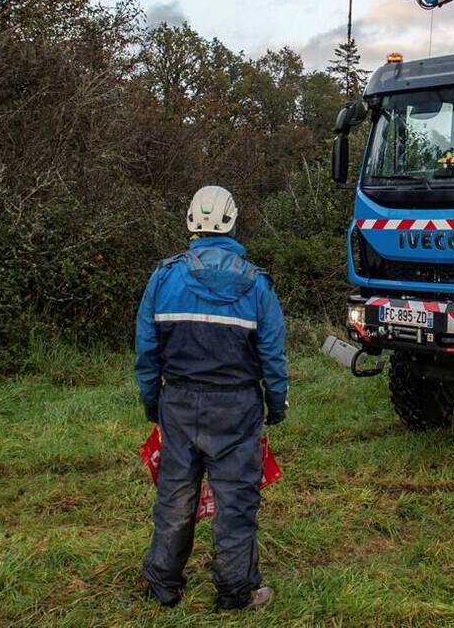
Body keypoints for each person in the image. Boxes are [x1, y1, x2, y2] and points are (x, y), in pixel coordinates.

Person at [135, 185, 288, 613]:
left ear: (190, 222)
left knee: (174, 498)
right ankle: (236, 595)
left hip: (178, 405)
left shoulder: (163, 277)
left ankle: (162, 586)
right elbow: (272, 356)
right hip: (237, 409)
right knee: (236, 504)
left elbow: (147, 351)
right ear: (234, 221)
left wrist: (153, 404)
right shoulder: (257, 284)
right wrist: (276, 405)